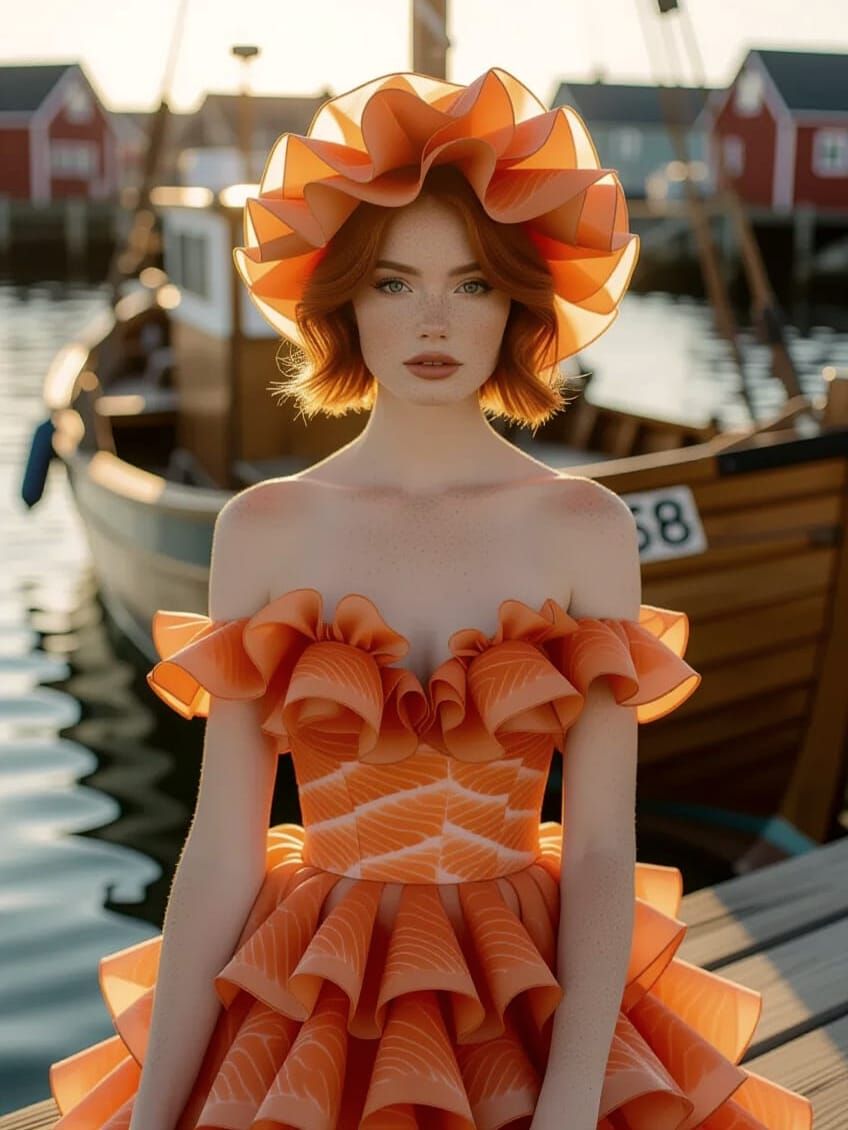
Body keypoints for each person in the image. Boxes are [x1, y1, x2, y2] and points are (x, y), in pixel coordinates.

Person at [48, 68, 814, 1130]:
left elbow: (600, 851)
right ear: (344, 298)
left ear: (518, 302)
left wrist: (569, 1103)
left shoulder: (585, 526)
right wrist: (153, 1113)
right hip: (311, 996)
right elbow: (223, 846)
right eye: (395, 282)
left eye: (473, 283)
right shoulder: (260, 527)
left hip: (527, 996)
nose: (435, 320)